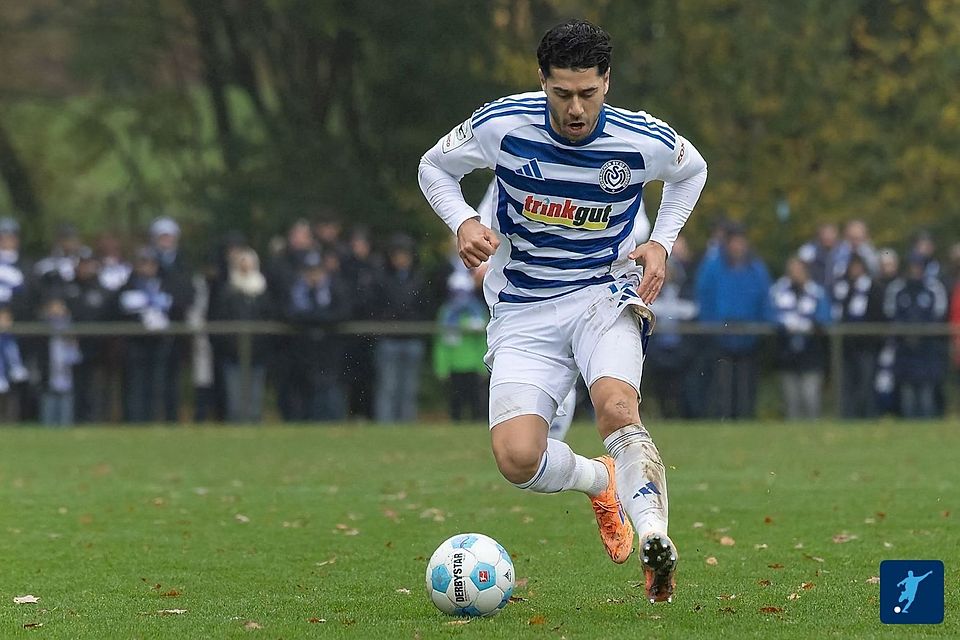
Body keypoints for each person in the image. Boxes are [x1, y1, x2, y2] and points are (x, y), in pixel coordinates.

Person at [418, 20, 707, 603]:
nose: (575, 109)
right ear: (542, 82)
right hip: (523, 307)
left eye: (588, 93)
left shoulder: (640, 139)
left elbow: (692, 170)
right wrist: (464, 222)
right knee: (517, 458)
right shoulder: (501, 124)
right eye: (561, 93)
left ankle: (654, 536)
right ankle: (601, 481)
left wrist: (663, 241)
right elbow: (433, 167)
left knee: (616, 407)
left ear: (607, 81)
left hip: (605, 294)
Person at [695, 224, 771, 419]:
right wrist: (710, 327)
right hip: (720, 335)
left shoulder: (755, 268)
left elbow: (764, 298)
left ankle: (745, 418)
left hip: (750, 336)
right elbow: (705, 299)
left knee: (746, 384)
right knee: (722, 384)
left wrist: (763, 325)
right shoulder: (712, 267)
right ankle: (723, 418)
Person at [767, 257, 831, 420]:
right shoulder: (778, 290)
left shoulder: (816, 292)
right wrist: (783, 325)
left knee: (810, 396)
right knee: (790, 399)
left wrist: (809, 326)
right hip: (787, 351)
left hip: (811, 351)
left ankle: (813, 431)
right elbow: (769, 314)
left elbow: (825, 317)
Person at [832, 254, 884, 418]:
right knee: (847, 384)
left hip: (866, 346)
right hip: (847, 347)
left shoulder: (873, 288)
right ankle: (848, 417)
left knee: (866, 384)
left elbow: (878, 317)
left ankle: (867, 416)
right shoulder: (843, 289)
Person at [433, 271, 488, 422]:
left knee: (477, 404)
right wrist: (442, 367)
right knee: (455, 404)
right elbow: (441, 344)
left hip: (474, 367)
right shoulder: (446, 313)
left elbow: (483, 342)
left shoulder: (478, 312)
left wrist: (483, 366)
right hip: (454, 366)